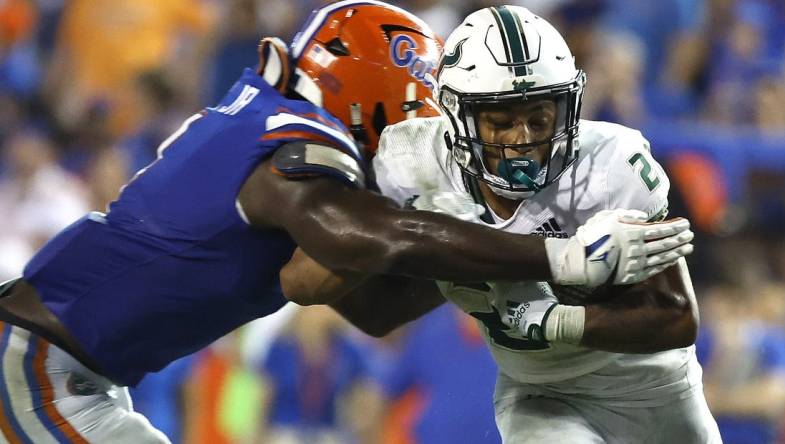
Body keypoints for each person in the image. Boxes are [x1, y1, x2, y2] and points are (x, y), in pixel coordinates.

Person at [0, 2, 693, 442]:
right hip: (39, 359)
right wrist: (560, 257)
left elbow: (373, 308)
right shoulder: (293, 139)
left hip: (66, 366)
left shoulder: (263, 127)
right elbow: (364, 235)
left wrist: (507, 239)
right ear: (381, 95)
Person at [281, 5, 720, 443]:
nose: (523, 140)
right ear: (454, 116)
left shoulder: (608, 165)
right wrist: (418, 235)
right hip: (541, 394)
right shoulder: (411, 163)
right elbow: (317, 288)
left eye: (539, 118)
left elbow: (674, 318)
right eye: (502, 121)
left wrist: (551, 321)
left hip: (653, 388)